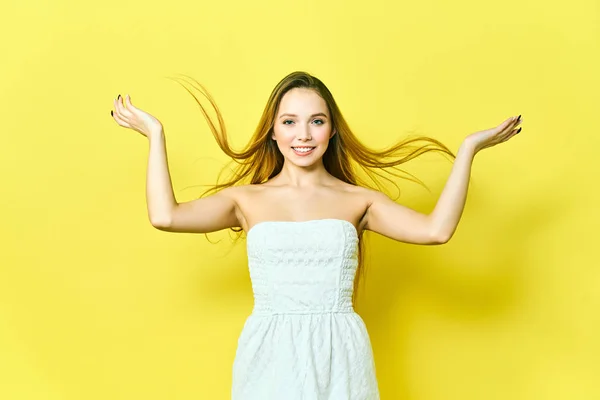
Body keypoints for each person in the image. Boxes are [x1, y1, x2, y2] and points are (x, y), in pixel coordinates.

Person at [110, 71, 523, 399]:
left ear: (332, 130)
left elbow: (436, 230)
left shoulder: (358, 200)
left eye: (316, 121)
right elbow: (165, 216)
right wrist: (156, 135)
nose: (303, 135)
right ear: (273, 131)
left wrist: (468, 149)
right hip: (268, 352)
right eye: (289, 122)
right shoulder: (244, 201)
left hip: (339, 352)